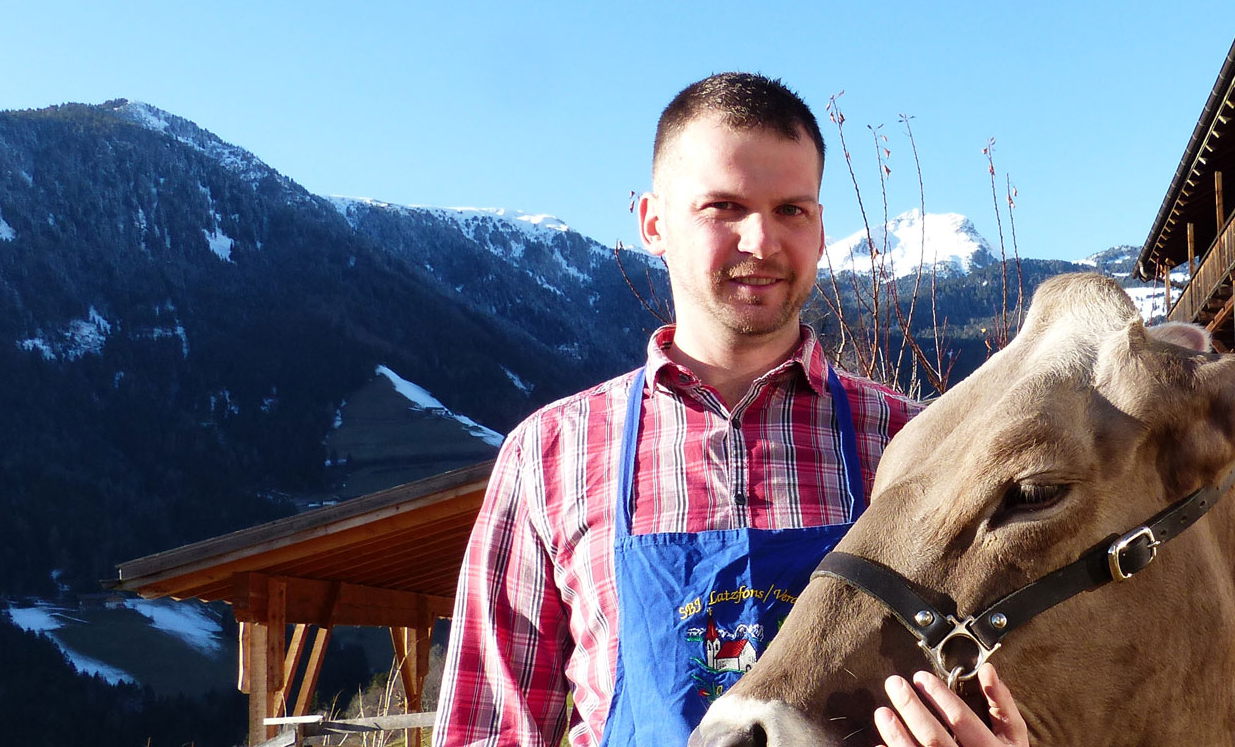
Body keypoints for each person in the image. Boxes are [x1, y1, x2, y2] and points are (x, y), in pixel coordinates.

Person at [431, 72, 1026, 747]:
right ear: (655, 223)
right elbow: (491, 731)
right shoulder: (550, 453)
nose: (762, 242)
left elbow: (1001, 684)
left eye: (791, 210)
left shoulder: (913, 440)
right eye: (723, 208)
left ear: (821, 227)